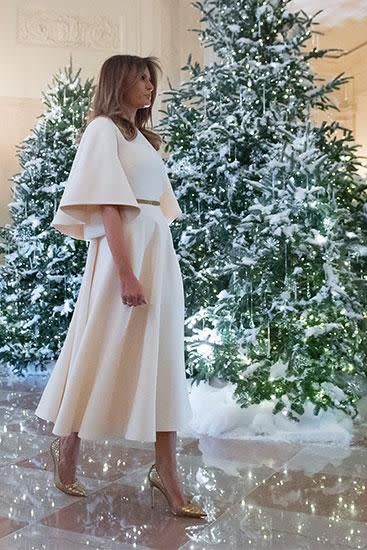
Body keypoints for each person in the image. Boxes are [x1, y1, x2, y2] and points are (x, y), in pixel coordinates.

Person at [34, 54, 206, 519]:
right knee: (98, 344)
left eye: (152, 80)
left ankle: (167, 473)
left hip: (155, 249)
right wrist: (126, 271)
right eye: (141, 79)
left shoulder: (144, 140)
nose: (150, 87)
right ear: (118, 82)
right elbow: (108, 205)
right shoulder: (101, 131)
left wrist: (153, 262)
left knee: (163, 355)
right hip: (122, 254)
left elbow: (153, 205)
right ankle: (66, 450)